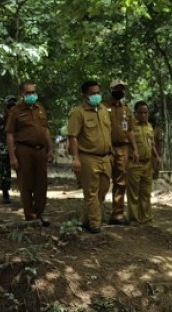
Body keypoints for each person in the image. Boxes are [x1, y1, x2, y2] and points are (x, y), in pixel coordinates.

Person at [68, 80, 113, 234]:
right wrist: (76, 158)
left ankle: (84, 219)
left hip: (105, 157)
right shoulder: (78, 113)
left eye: (98, 93)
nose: (96, 96)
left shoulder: (104, 111)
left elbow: (108, 133)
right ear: (85, 95)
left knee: (104, 189)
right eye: (92, 93)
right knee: (91, 192)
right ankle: (95, 224)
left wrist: (111, 152)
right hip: (88, 157)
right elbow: (73, 137)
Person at [6, 80, 53, 226]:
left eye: (33, 92)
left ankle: (38, 213)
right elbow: (10, 134)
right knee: (26, 183)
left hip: (40, 151)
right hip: (23, 150)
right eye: (28, 93)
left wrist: (50, 149)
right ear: (22, 94)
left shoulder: (40, 108)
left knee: (42, 183)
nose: (32, 95)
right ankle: (29, 215)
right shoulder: (16, 111)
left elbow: (45, 130)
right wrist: (12, 157)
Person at [103, 79, 138, 225]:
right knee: (102, 181)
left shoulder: (126, 109)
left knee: (121, 182)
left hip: (123, 148)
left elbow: (130, 130)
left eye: (122, 89)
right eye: (117, 89)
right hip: (106, 149)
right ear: (111, 90)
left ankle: (117, 214)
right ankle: (94, 214)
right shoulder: (102, 107)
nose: (120, 91)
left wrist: (134, 148)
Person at [127, 101, 159, 224]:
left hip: (147, 164)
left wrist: (157, 156)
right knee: (134, 194)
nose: (143, 115)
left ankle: (146, 218)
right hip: (134, 163)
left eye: (145, 112)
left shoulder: (150, 126)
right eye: (140, 113)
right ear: (136, 113)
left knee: (146, 193)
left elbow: (152, 144)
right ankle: (134, 219)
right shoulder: (131, 126)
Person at [0, 95, 17, 203]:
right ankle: (5, 194)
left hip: (18, 146)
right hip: (3, 147)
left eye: (13, 105)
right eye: (9, 105)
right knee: (5, 171)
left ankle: (28, 193)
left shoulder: (18, 116)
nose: (11, 107)